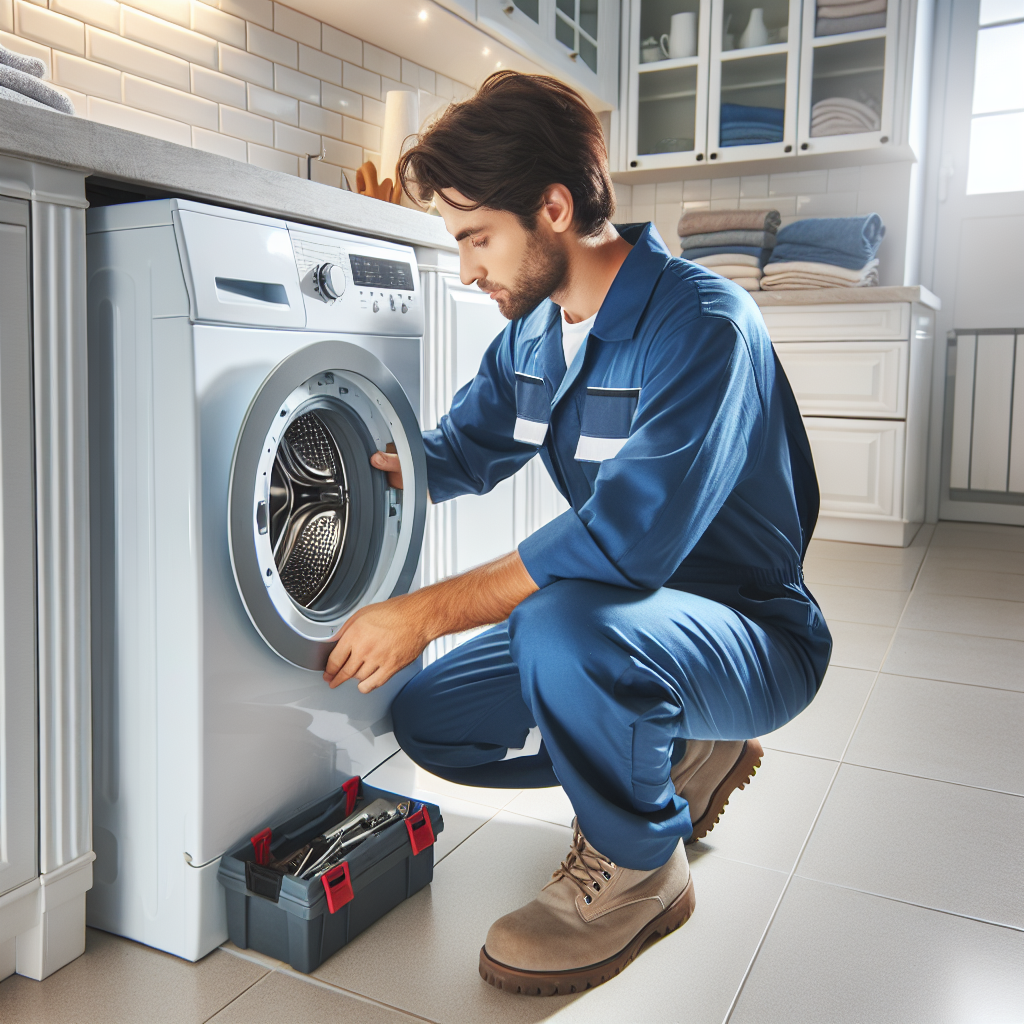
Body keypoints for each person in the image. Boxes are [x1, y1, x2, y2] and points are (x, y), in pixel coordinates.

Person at [321, 71, 831, 995]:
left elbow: (621, 544)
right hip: (622, 623)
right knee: (432, 722)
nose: (467, 269)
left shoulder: (704, 324)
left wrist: (426, 613)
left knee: (562, 625)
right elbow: (461, 450)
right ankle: (672, 752)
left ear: (552, 207)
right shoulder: (534, 332)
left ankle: (638, 865)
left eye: (477, 238)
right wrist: (349, 455)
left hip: (751, 631)